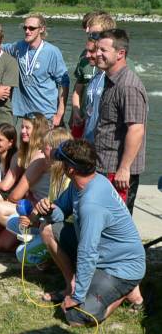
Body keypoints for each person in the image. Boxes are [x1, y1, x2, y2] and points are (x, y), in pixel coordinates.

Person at [36, 139, 145, 326]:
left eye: (62, 161)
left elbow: (88, 253)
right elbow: (61, 211)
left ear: (70, 169)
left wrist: (78, 298)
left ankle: (126, 289)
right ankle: (71, 286)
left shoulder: (91, 203)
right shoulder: (81, 183)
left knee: (76, 316)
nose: (59, 164)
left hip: (120, 265)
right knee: (46, 228)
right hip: (100, 256)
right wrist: (49, 209)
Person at [94, 29, 148, 214]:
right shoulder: (110, 81)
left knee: (117, 226)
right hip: (104, 166)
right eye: (97, 49)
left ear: (120, 54)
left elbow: (136, 129)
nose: (97, 53)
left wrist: (124, 168)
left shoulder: (128, 86)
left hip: (118, 173)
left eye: (103, 50)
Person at [5, 127, 72, 266]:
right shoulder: (54, 172)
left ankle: (56, 259)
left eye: (44, 148)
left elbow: (62, 215)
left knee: (21, 254)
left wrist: (40, 221)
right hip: (51, 222)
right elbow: (49, 203)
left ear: (56, 150)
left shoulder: (70, 176)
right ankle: (46, 247)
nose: (41, 152)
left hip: (66, 228)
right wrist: (32, 218)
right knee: (12, 223)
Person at [0, 113, 49, 251]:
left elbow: (15, 196)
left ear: (38, 130)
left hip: (42, 210)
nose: (22, 131)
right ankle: (31, 239)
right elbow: (5, 185)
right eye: (22, 127)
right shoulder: (21, 154)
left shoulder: (40, 156)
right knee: (0, 245)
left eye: (27, 128)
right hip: (30, 206)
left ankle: (39, 238)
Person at [3, 14, 70, 127]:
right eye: (25, 28)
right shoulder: (19, 46)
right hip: (23, 115)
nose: (27, 31)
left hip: (46, 116)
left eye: (32, 28)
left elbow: (64, 82)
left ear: (42, 29)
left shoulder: (52, 52)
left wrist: (60, 114)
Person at [69, 12, 115, 137]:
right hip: (84, 121)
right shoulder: (85, 58)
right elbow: (77, 89)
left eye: (94, 34)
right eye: (89, 33)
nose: (88, 55)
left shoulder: (118, 68)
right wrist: (75, 112)